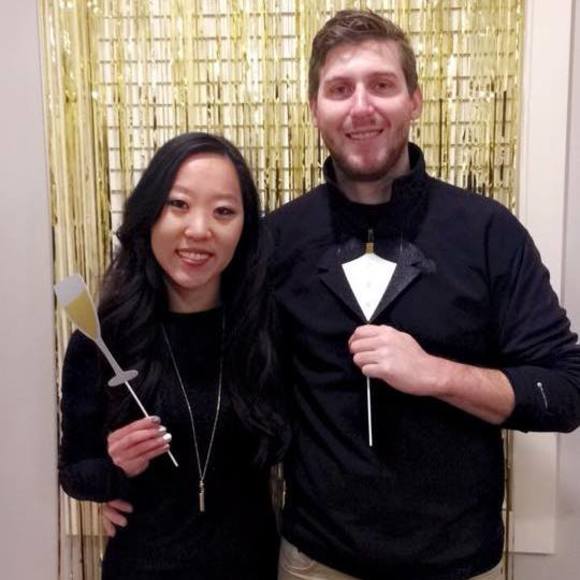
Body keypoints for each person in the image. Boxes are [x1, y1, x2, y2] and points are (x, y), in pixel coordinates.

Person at [265, 9, 580, 580]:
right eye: (340, 89)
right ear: (314, 109)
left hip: (459, 563)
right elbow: (231, 386)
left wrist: (435, 374)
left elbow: (565, 390)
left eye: (382, 85)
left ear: (414, 100)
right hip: (316, 561)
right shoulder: (277, 239)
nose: (361, 106)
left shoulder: (487, 231)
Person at [59, 132, 287, 579]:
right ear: (149, 215)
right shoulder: (104, 337)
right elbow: (75, 471)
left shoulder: (265, 329)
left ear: (245, 228)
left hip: (250, 567)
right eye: (178, 204)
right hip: (143, 567)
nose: (199, 229)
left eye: (223, 211)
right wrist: (114, 469)